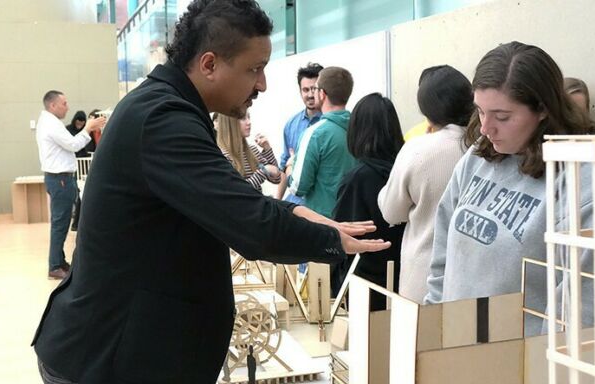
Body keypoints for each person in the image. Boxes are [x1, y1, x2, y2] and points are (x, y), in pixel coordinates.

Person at [32, 2, 390, 384]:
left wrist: (297, 214)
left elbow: (232, 201)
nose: (263, 84)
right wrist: (330, 239)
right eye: (254, 69)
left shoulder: (170, 109)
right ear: (209, 65)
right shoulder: (163, 120)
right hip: (108, 360)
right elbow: (254, 228)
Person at [424, 42, 595, 338]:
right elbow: (442, 258)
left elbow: (587, 327)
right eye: (480, 111)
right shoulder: (480, 154)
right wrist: (429, 335)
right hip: (454, 353)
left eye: (502, 116)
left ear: (542, 109)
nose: (486, 128)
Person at [378, 65, 473, 303]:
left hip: (423, 274)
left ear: (427, 110)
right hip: (473, 276)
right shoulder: (486, 147)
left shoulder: (418, 148)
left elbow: (391, 212)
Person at [333, 93, 405, 310]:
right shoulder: (404, 170)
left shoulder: (357, 179)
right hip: (404, 278)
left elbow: (340, 234)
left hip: (365, 284)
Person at [35, 91, 105, 280]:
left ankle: (59, 260)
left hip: (61, 178)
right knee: (60, 224)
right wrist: (88, 128)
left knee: (63, 222)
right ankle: (55, 265)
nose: (68, 107)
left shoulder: (50, 123)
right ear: (53, 106)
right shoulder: (51, 125)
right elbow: (73, 145)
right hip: (60, 179)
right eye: (64, 103)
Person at [286, 66, 357, 219]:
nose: (312, 94)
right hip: (354, 221)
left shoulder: (314, 134)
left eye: (315, 88)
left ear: (322, 94)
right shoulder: (360, 129)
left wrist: (290, 166)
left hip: (324, 224)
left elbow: (297, 187)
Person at [276, 62, 324, 202]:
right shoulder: (291, 125)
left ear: (322, 90)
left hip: (319, 206)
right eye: (305, 90)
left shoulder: (330, 125)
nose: (310, 95)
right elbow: (285, 167)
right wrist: (277, 201)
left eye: (314, 89)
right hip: (294, 204)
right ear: (300, 91)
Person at [216, 112, 281, 191]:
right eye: (243, 118)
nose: (249, 122)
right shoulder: (222, 156)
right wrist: (263, 171)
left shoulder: (252, 150)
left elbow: (276, 179)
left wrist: (267, 149)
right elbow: (238, 191)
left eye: (249, 117)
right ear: (230, 124)